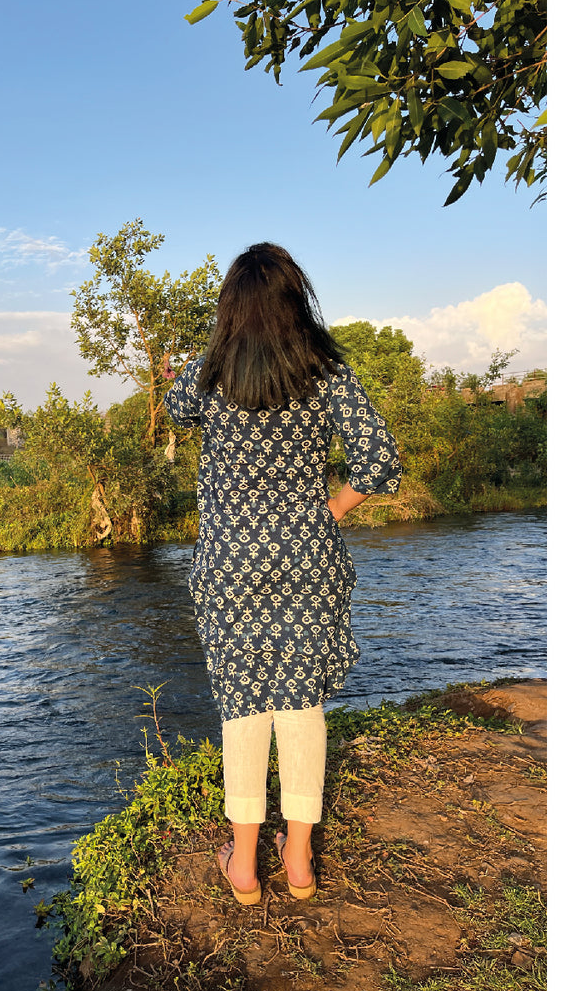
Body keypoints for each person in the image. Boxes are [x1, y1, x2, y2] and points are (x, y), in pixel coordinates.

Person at [163, 243, 402, 904]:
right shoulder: (326, 372)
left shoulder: (208, 375)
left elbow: (178, 408)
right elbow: (381, 463)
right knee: (300, 703)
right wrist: (329, 509)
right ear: (298, 301)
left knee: (244, 707)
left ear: (231, 309)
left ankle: (243, 865)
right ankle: (297, 861)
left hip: (230, 561)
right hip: (306, 554)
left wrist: (196, 357)